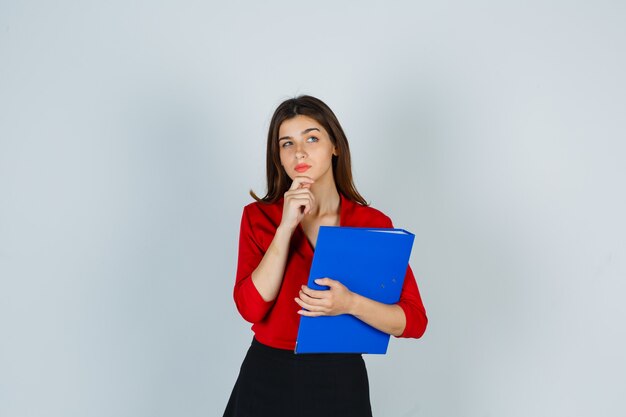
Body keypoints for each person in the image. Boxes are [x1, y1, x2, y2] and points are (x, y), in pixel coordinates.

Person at [223, 95, 428, 417]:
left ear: (335, 146)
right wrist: (285, 227)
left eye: (312, 138)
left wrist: (350, 304)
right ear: (277, 156)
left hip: (339, 378)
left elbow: (413, 321)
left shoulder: (372, 224)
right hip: (266, 375)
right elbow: (251, 308)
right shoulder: (258, 217)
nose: (299, 152)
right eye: (286, 143)